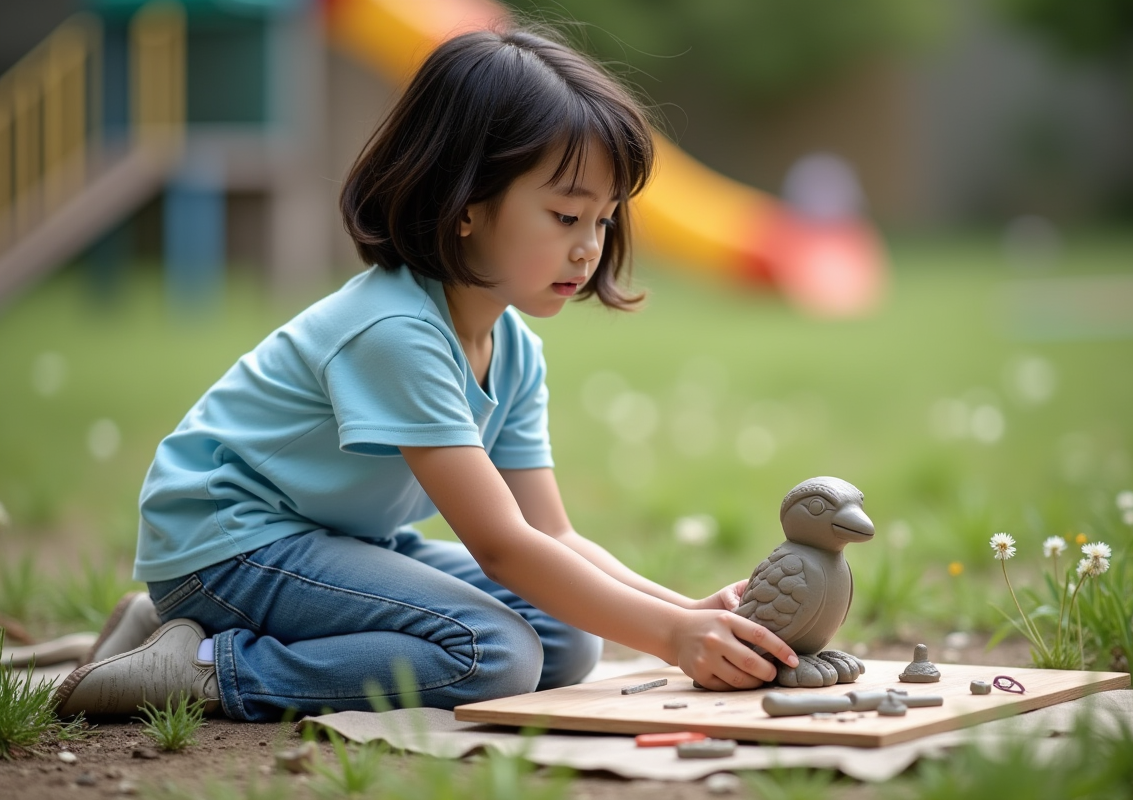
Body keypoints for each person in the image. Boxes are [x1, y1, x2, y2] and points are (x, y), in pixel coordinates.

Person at [55, 26, 799, 722]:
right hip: (230, 543)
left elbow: (551, 532)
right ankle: (210, 664)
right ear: (466, 206)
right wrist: (672, 638)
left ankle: (162, 629)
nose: (591, 249)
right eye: (566, 217)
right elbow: (502, 544)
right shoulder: (396, 332)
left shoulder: (512, 348)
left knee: (570, 641)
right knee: (495, 653)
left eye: (604, 220)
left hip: (338, 537)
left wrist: (688, 614)